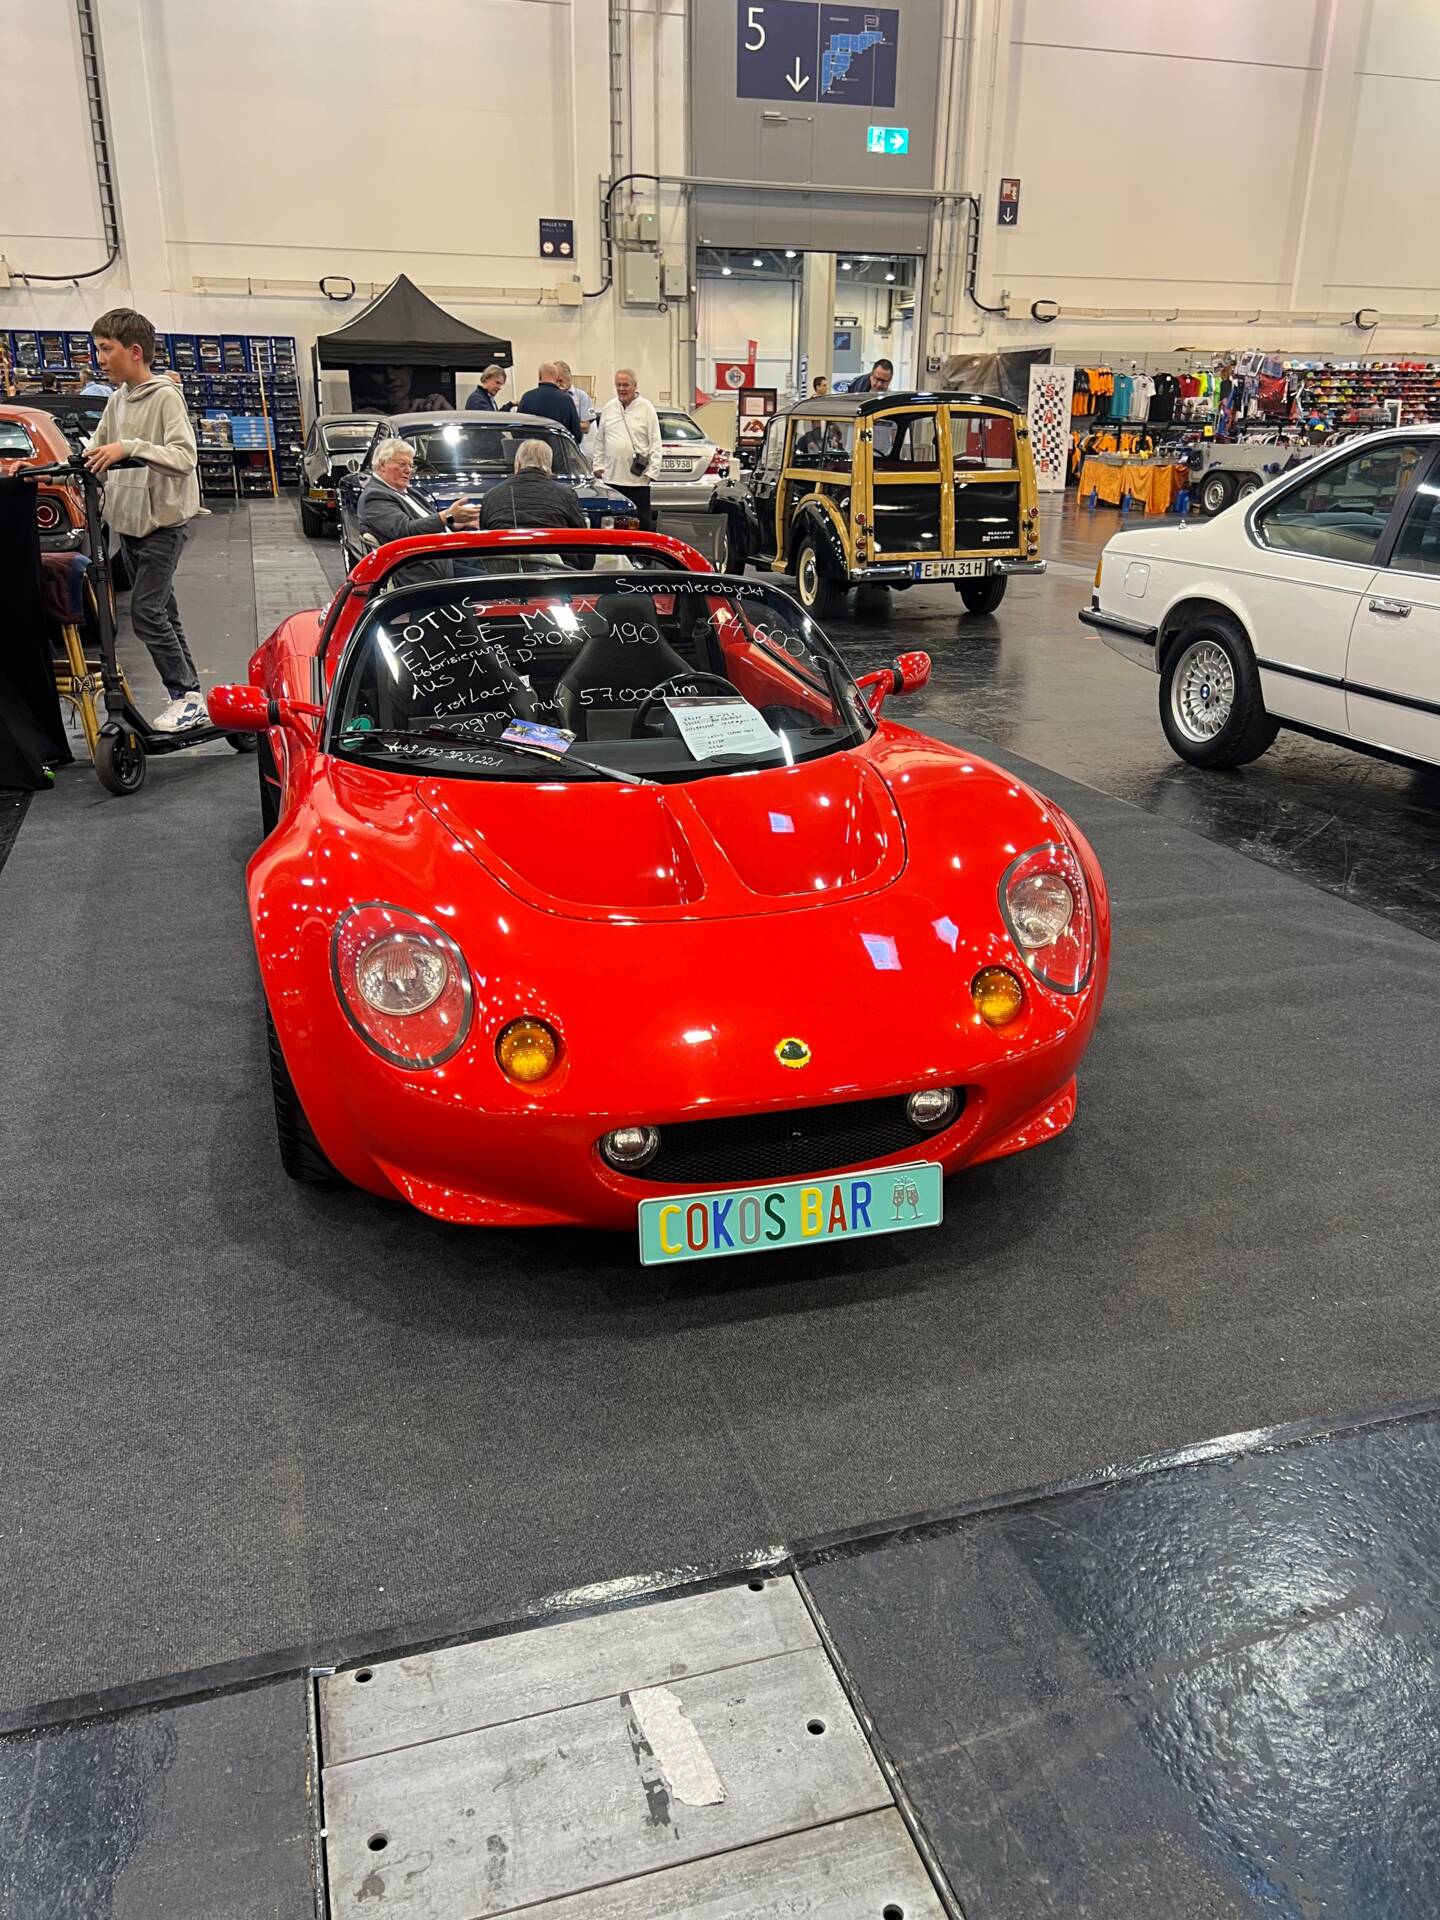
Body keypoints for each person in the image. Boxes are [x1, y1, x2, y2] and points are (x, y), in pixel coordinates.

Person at [84, 307, 205, 731]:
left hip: (162, 526)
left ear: (134, 351)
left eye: (106, 349)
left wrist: (131, 447)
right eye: (98, 349)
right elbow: (96, 448)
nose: (100, 358)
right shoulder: (116, 399)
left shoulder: (165, 396)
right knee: (163, 612)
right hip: (129, 525)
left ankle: (183, 694)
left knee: (147, 613)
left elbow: (184, 457)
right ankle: (191, 696)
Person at [357, 440, 478, 578]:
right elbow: (406, 531)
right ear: (382, 464)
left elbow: (431, 524)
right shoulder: (374, 497)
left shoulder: (407, 492)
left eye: (410, 465)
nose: (408, 470)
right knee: (493, 582)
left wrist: (455, 521)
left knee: (494, 563)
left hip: (446, 556)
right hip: (426, 568)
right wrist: (445, 516)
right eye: (402, 464)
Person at [593, 368, 662, 530]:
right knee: (612, 525)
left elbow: (655, 441)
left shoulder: (647, 408)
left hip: (638, 481)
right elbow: (600, 440)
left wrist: (652, 471)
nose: (621, 389)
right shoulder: (609, 407)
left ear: (635, 386)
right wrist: (597, 465)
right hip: (611, 480)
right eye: (618, 385)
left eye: (626, 385)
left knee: (641, 525)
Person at [479, 438, 585, 531]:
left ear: (518, 465)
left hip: (505, 548)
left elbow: (484, 536)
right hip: (552, 548)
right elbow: (581, 535)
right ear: (549, 468)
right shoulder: (566, 495)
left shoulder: (491, 496)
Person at [516, 362, 582, 442]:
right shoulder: (566, 400)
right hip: (557, 449)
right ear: (557, 377)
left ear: (539, 376)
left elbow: (517, 431)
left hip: (531, 448)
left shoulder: (527, 397)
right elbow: (577, 436)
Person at [554, 361, 597, 455]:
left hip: (575, 451)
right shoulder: (552, 397)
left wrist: (562, 423)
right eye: (555, 381)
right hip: (556, 450)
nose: (558, 384)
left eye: (560, 380)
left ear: (569, 378)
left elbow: (586, 427)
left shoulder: (582, 396)